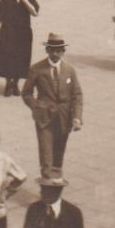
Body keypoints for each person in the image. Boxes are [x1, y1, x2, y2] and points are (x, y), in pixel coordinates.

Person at [20, 33, 83, 179]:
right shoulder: (37, 69)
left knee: (58, 156)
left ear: (63, 51)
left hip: (64, 117)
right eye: (52, 50)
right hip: (44, 119)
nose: (55, 53)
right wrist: (37, 107)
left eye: (58, 50)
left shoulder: (69, 70)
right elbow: (26, 93)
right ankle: (47, 190)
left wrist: (77, 117)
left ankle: (56, 189)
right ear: (47, 50)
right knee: (46, 156)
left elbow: (77, 95)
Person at [0, 0, 39, 96]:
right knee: (7, 59)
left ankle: (16, 84)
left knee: (21, 59)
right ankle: (8, 83)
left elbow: (35, 13)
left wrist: (26, 1)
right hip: (8, 33)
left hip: (23, 34)